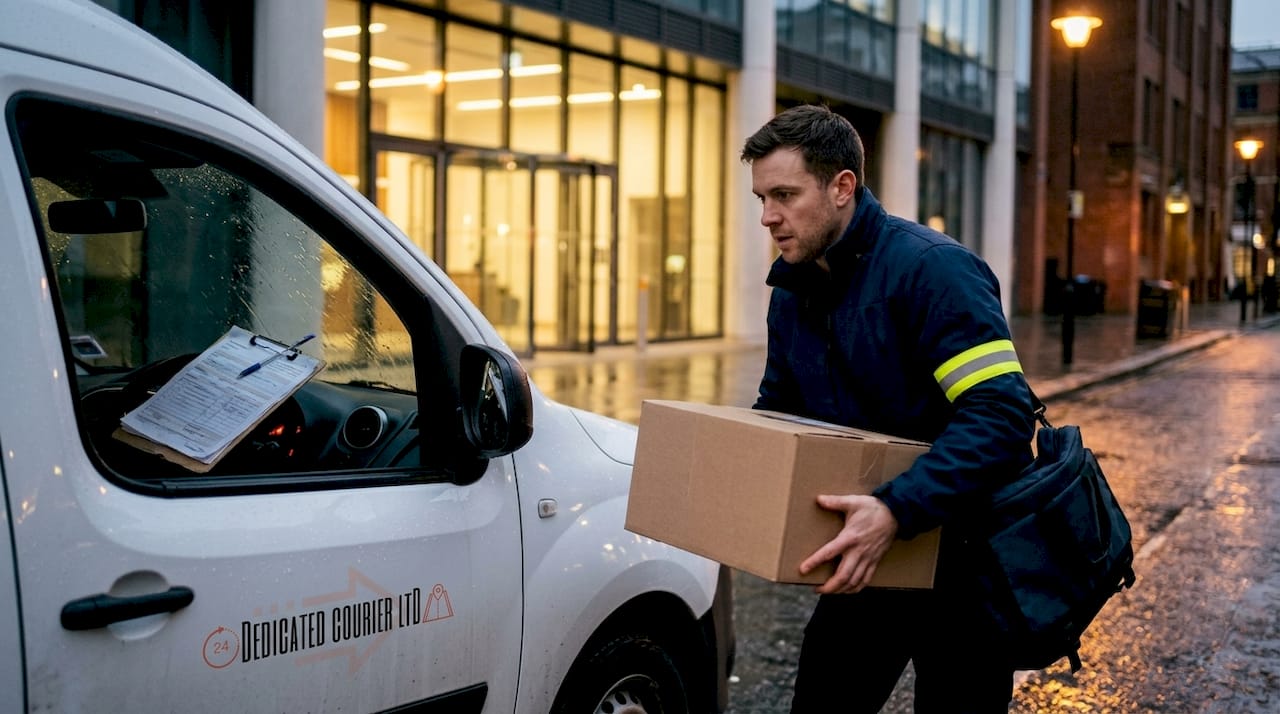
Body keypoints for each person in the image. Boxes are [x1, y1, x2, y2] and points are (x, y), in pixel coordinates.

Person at [741, 103, 1037, 712]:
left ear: (842, 186)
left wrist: (895, 510)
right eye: (762, 198)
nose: (769, 217)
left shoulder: (934, 271)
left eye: (785, 195)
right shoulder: (793, 286)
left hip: (964, 567)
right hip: (865, 558)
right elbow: (780, 412)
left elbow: (1001, 415)